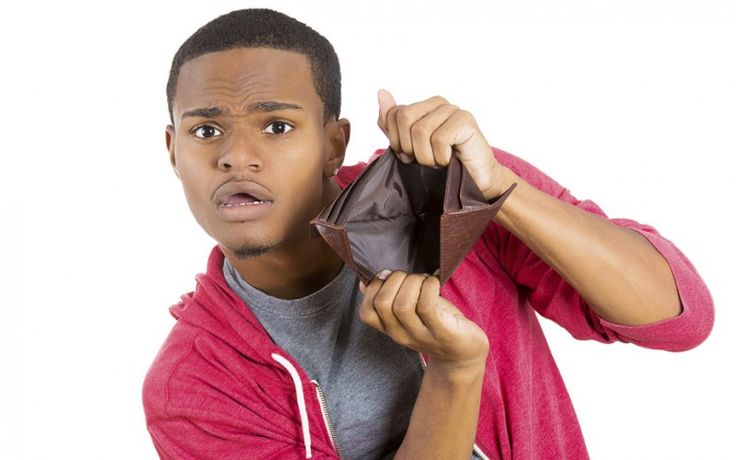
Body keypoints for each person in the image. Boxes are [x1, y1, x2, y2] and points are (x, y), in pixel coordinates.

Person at [142, 8, 714, 460]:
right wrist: (454, 373)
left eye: (277, 126)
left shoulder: (447, 194)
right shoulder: (193, 387)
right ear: (173, 151)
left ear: (332, 144)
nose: (236, 157)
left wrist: (498, 192)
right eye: (207, 129)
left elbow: (679, 319)